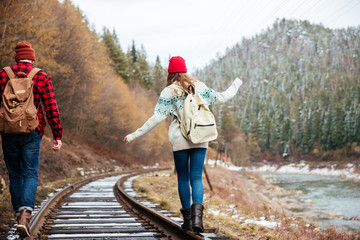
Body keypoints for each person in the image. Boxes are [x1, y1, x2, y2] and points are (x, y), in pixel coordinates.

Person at [124, 56, 242, 233]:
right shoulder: (199, 86)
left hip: (180, 140)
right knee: (196, 177)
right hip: (201, 137)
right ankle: (197, 220)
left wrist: (133, 135)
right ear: (185, 70)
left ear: (170, 72)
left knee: (183, 177)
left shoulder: (169, 91)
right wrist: (236, 84)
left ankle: (187, 221)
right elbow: (222, 97)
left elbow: (156, 119)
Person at [0, 42, 63, 237]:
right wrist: (57, 134)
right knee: (30, 172)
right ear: (32, 58)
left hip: (8, 131)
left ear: (17, 57)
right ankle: (25, 215)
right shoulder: (41, 76)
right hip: (32, 131)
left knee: (15, 174)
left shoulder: (3, 74)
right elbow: (51, 107)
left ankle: (18, 212)